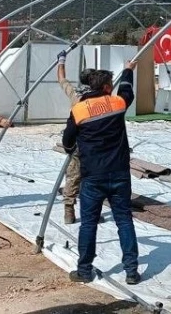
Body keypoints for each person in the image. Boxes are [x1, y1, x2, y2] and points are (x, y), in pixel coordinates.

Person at [62, 62, 141, 285]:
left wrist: (76, 148)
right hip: (119, 174)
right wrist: (128, 70)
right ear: (107, 87)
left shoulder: (79, 109)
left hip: (92, 176)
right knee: (124, 221)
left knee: (88, 224)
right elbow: (126, 90)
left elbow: (67, 140)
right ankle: (131, 271)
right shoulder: (117, 103)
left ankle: (84, 270)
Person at [56, 50, 95, 224]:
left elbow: (62, 79)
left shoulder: (76, 96)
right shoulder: (100, 97)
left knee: (72, 177)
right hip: (94, 145)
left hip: (78, 143)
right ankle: (91, 212)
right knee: (92, 178)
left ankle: (68, 212)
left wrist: (61, 60)